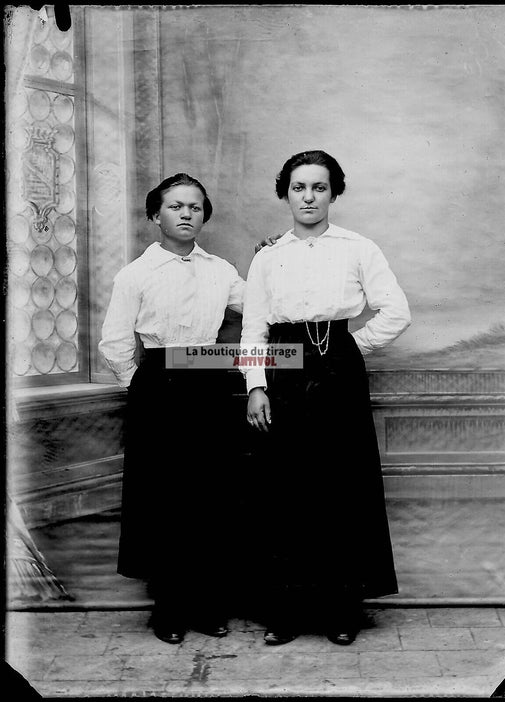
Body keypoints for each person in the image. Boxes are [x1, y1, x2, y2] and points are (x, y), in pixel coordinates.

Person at [240, 150, 411, 646]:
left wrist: (350, 347)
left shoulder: (358, 248)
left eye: (318, 187)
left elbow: (395, 311)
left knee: (341, 486)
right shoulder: (268, 255)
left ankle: (341, 610)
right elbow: (254, 328)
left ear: (334, 192)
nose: (308, 197)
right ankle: (287, 611)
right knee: (286, 488)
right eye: (298, 187)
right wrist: (255, 386)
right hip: (284, 365)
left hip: (338, 362)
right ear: (285, 194)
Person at [99, 173, 246, 644]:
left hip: (209, 386)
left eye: (196, 207)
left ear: (205, 215)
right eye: (176, 206)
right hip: (158, 389)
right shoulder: (136, 274)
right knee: (163, 499)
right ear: (155, 214)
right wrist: (143, 388)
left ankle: (207, 605)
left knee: (211, 495)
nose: (187, 214)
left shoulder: (221, 270)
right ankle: (167, 609)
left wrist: (275, 261)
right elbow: (115, 343)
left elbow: (263, 306)